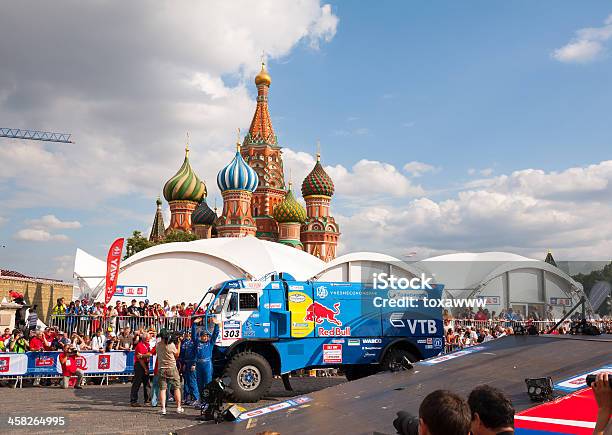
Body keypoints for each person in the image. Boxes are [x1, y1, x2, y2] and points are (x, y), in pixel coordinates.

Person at [191, 316, 220, 408]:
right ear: (201, 336)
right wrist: (194, 324)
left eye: (206, 336)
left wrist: (216, 324)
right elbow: (193, 335)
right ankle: (201, 400)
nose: (205, 337)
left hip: (207, 365)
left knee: (208, 384)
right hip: (199, 365)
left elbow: (215, 334)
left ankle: (208, 402)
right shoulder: (197, 343)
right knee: (199, 384)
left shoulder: (210, 343)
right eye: (203, 336)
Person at [156, 328, 184, 415]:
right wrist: (179, 344)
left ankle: (163, 408)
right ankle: (178, 407)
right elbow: (177, 354)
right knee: (176, 387)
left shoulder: (158, 345)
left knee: (163, 389)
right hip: (171, 368)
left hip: (162, 368)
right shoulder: (171, 345)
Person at [130, 330, 153, 407]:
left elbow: (148, 354)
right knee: (137, 383)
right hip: (140, 365)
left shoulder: (147, 345)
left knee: (147, 383)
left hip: (145, 364)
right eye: (148, 338)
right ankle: (133, 400)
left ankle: (147, 400)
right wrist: (145, 368)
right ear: (144, 338)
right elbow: (140, 359)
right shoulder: (140, 345)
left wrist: (145, 356)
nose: (149, 339)